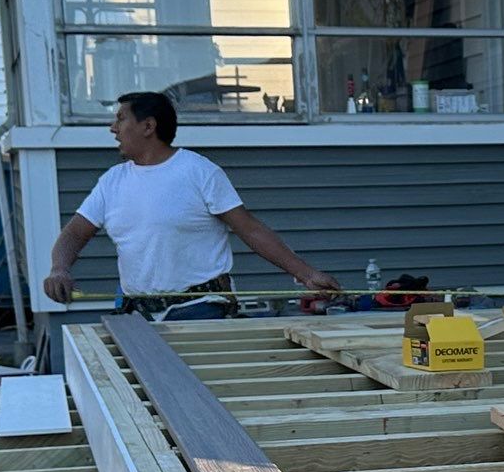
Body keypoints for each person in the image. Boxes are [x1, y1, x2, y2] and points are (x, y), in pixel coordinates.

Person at [42, 90, 338, 314]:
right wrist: (59, 269)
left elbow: (251, 230)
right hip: (138, 313)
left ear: (148, 127)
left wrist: (307, 275)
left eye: (121, 119)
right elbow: (74, 233)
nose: (113, 128)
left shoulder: (198, 172)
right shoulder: (112, 181)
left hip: (201, 308)